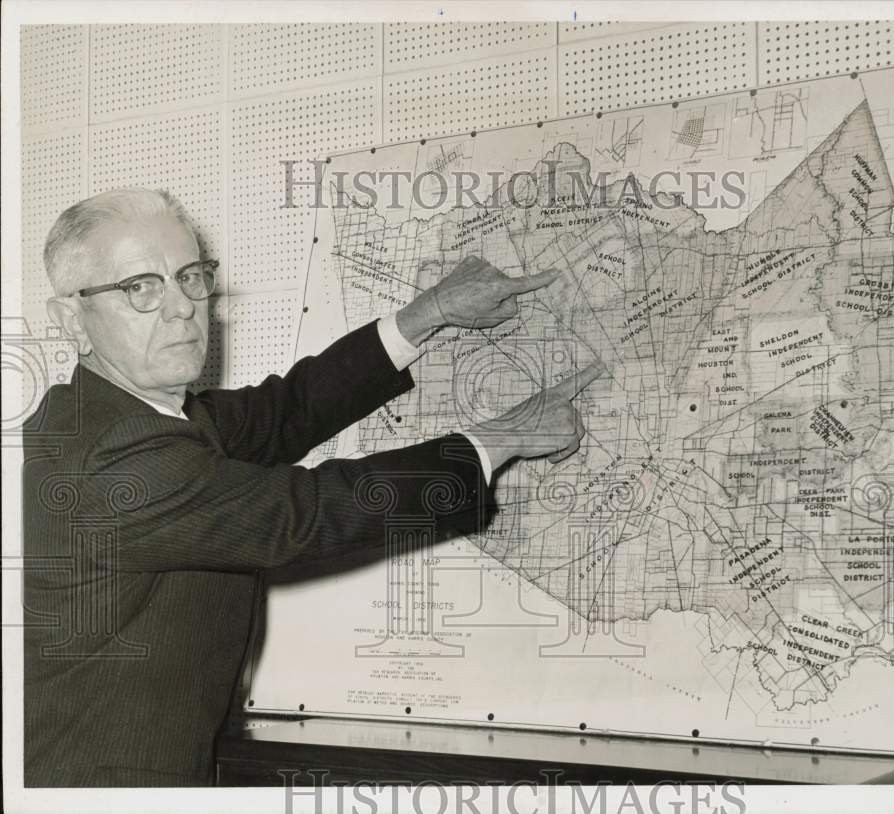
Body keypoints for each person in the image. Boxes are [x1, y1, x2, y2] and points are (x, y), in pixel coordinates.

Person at [21, 188, 604, 787]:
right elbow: (303, 512)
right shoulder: (111, 459)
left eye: (189, 276)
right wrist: (499, 439)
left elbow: (287, 410)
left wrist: (428, 313)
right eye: (139, 287)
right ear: (72, 320)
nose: (181, 309)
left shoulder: (132, 414)